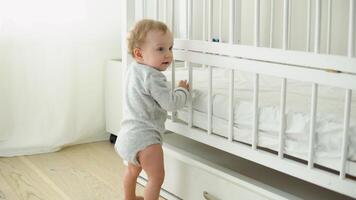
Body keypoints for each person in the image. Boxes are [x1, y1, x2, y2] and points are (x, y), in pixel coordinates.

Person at [115, 19, 190, 200]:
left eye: (170, 48)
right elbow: (170, 103)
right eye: (160, 49)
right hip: (146, 139)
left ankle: (130, 198)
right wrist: (182, 91)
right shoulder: (153, 77)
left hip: (127, 135)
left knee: (132, 171)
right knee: (156, 178)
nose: (168, 55)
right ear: (139, 54)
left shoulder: (133, 70)